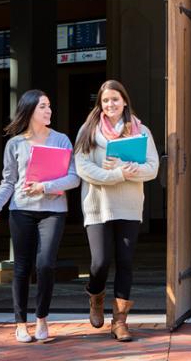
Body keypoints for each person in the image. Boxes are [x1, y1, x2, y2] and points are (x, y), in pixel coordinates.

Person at [0, 89, 80, 343]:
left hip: (53, 210)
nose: (49, 110)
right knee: (22, 267)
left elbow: (74, 177)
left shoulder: (61, 140)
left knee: (46, 264)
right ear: (29, 111)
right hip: (21, 210)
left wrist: (45, 187)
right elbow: (8, 181)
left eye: (49, 106)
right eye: (43, 106)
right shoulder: (14, 144)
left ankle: (41, 318)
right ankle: (20, 324)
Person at [74, 80, 159, 342]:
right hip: (98, 206)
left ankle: (120, 322)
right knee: (100, 262)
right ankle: (95, 296)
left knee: (125, 262)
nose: (110, 104)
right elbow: (83, 168)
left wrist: (124, 167)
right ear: (100, 104)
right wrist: (118, 174)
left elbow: (152, 168)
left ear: (124, 101)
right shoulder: (87, 131)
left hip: (129, 206)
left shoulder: (140, 131)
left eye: (115, 99)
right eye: (105, 100)